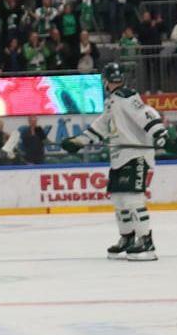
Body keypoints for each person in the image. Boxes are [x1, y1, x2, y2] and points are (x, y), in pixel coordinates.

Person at [62, 62, 167, 260]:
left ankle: (147, 242)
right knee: (119, 200)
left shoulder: (126, 96)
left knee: (132, 199)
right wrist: (78, 142)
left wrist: (159, 133)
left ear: (105, 80)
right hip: (119, 158)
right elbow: (101, 126)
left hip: (135, 156)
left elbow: (144, 115)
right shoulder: (113, 102)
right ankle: (127, 238)